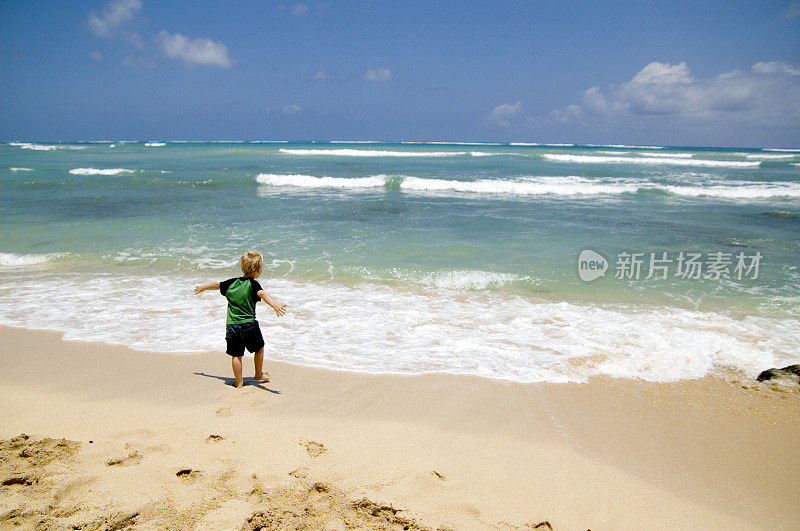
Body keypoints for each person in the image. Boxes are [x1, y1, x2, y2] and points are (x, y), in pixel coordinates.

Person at [194, 251, 286, 388]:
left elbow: (217, 285)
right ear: (258, 271)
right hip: (249, 325)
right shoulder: (253, 284)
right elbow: (263, 294)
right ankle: (258, 374)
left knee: (236, 355)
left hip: (231, 326)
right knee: (259, 348)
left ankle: (239, 382)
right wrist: (274, 305)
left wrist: (203, 287)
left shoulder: (231, 283)